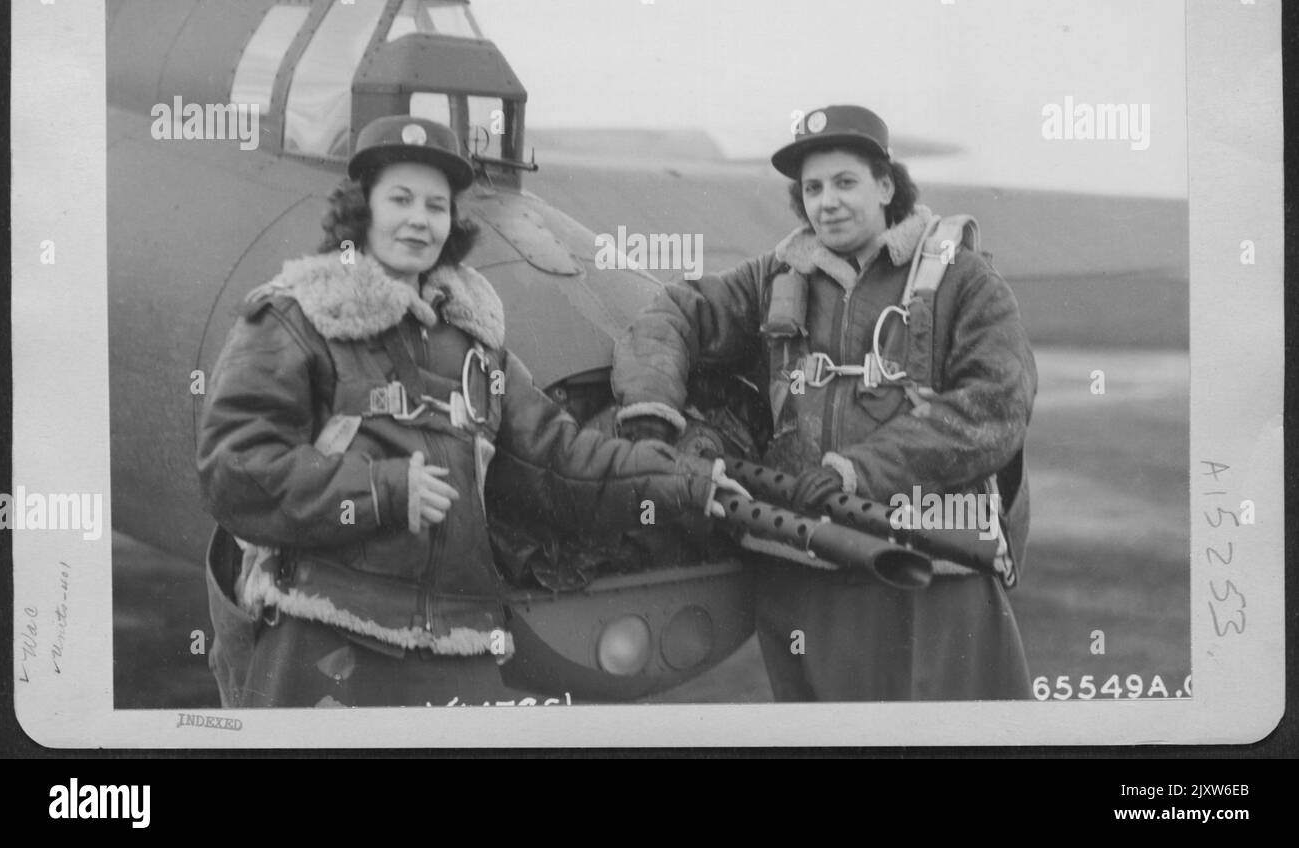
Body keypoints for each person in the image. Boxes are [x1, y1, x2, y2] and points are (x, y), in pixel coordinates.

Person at [197, 115, 740, 708]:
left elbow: (559, 461)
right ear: (362, 210)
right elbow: (237, 471)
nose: (418, 219)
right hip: (328, 637)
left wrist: (682, 482)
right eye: (399, 199)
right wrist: (382, 491)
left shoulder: (477, 349)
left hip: (459, 645)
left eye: (436, 205)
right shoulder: (295, 320)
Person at [612, 105, 1036, 701]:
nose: (827, 202)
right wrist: (652, 413)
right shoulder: (773, 279)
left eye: (845, 182)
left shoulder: (962, 281)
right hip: (799, 567)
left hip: (928, 571)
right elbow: (673, 314)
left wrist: (857, 472)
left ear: (886, 185)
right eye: (812, 188)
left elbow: (996, 406)